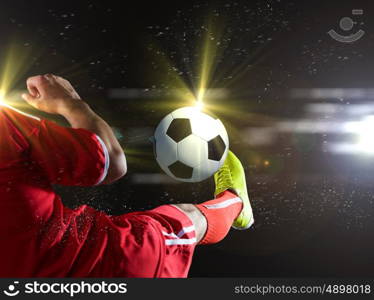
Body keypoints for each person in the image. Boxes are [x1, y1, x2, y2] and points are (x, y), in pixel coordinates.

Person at [0, 74, 254, 277]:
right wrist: (70, 102)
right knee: (185, 220)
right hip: (103, 264)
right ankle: (234, 201)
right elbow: (111, 163)